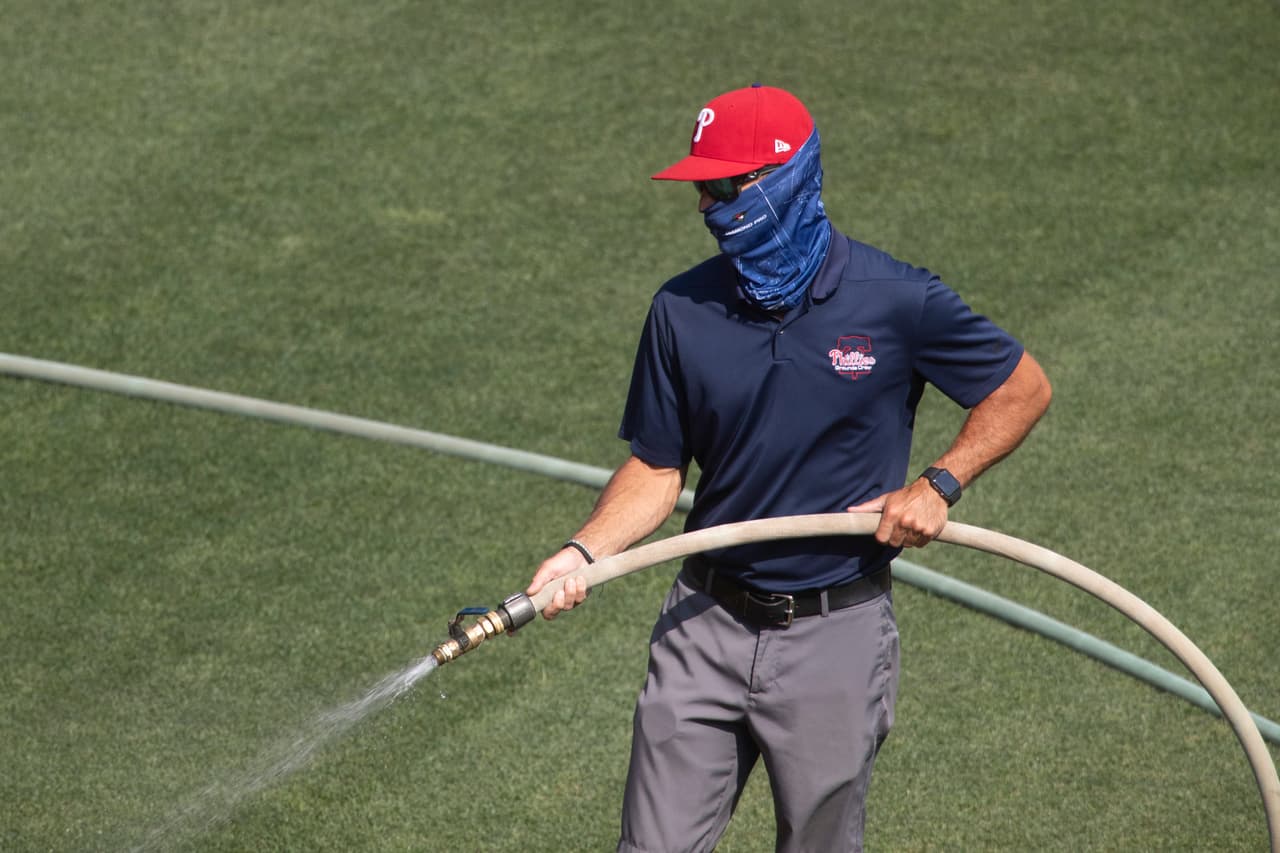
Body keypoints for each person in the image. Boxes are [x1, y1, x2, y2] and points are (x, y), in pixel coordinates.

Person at [526, 83, 1052, 853]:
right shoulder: (680, 310)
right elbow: (656, 467)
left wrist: (939, 483)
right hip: (703, 620)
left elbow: (1022, 387)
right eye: (702, 188)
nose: (709, 204)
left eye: (727, 185)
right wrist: (582, 551)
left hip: (833, 632)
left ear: (786, 181)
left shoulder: (895, 300)